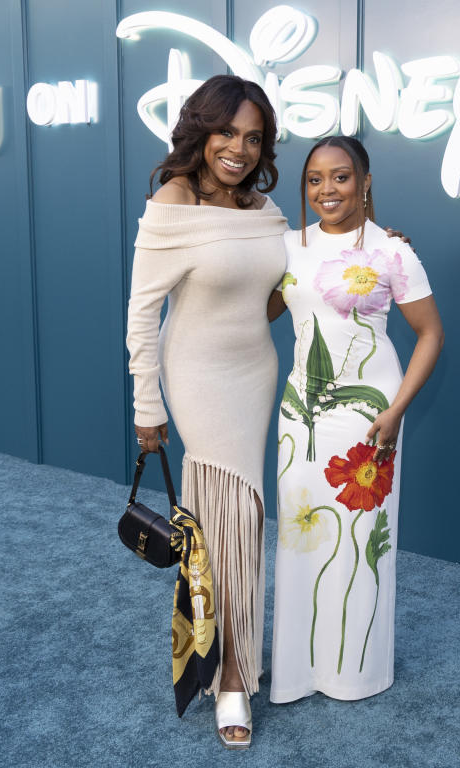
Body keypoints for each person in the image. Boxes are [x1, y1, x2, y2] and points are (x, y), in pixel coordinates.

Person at [125, 75, 288, 749]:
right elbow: (141, 312)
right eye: (227, 132)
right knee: (234, 520)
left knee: (236, 522)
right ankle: (230, 678)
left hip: (255, 374)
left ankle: (222, 657)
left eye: (253, 138)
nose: (239, 149)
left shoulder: (262, 207)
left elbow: (278, 296)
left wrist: (363, 244)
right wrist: (146, 403)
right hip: (196, 376)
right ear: (201, 129)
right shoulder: (175, 199)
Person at [267, 136, 444, 703]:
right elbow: (259, 307)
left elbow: (431, 334)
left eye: (340, 177)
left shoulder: (393, 252)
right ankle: (297, 669)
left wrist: (396, 412)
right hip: (301, 414)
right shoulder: (288, 247)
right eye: (315, 179)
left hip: (369, 417)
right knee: (300, 535)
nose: (327, 190)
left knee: (360, 538)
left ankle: (353, 671)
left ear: (364, 182)